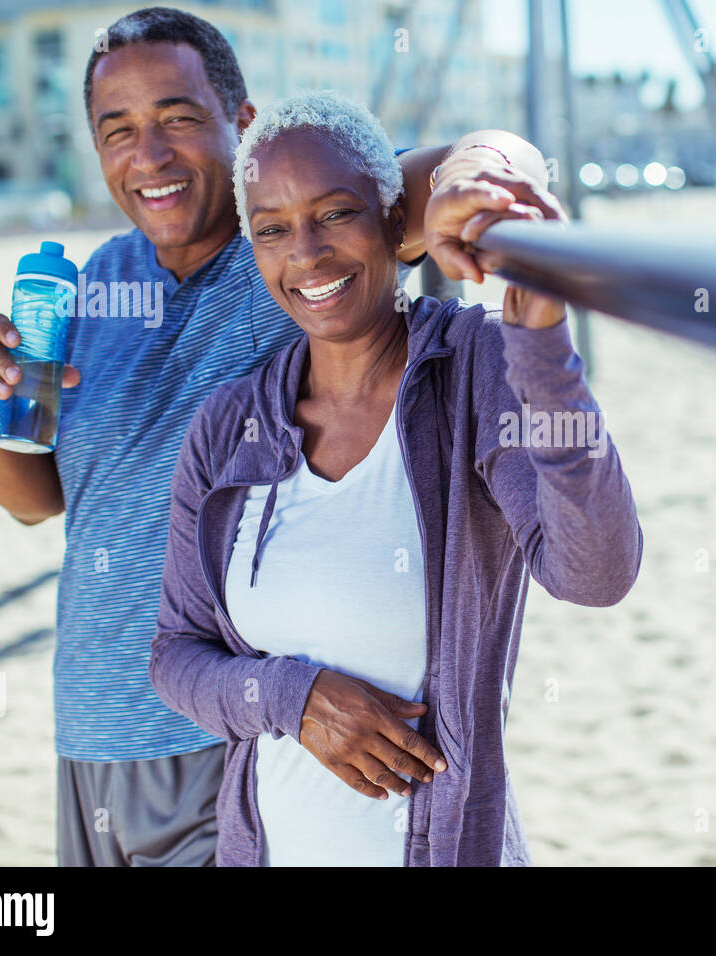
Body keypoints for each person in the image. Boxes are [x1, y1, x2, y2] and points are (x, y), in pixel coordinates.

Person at [0, 6, 562, 866]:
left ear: (241, 125)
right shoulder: (89, 289)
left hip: (231, 737)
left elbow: (479, 157)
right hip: (88, 737)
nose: (149, 155)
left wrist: (491, 180)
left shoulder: (288, 247)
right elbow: (40, 502)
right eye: (117, 129)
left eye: (178, 118)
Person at [149, 90, 643, 866]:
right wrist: (293, 698)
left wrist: (543, 347)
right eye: (273, 229)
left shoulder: (474, 369)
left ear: (393, 218)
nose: (306, 253)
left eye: (335, 213)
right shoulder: (226, 426)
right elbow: (177, 655)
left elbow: (596, 572)